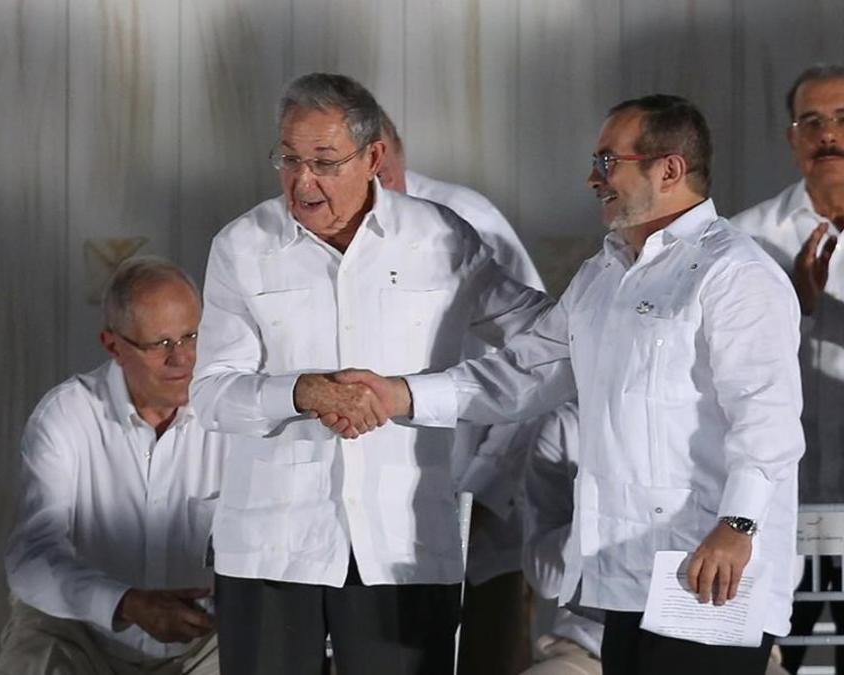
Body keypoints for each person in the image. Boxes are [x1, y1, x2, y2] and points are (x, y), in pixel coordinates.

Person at [342, 94, 804, 675]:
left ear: (668, 169)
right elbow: (523, 374)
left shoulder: (736, 274)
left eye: (609, 161)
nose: (593, 178)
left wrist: (737, 527)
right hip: (623, 580)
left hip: (710, 573)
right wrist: (399, 395)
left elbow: (769, 420)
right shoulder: (603, 274)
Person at [190, 72, 552, 675]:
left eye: (324, 162)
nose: (302, 181)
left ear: (373, 157)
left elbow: (537, 334)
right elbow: (211, 396)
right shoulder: (240, 245)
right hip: (269, 549)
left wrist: (423, 397)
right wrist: (300, 392)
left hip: (404, 543)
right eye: (288, 159)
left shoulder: (441, 237)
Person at [0, 257, 222, 675]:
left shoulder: (232, 412)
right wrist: (126, 603)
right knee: (33, 646)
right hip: (83, 634)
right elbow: (30, 558)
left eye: (192, 336)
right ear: (113, 345)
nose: (183, 359)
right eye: (161, 344)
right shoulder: (67, 414)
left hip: (205, 640)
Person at [378, 110, 542, 675]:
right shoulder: (323, 224)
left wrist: (485, 490)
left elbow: (538, 359)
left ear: (396, 152)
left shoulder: (465, 222)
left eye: (386, 169)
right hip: (374, 517)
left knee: (483, 658)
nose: (378, 191)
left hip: (475, 501)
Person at [731, 63, 844, 674]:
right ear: (793, 138)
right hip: (779, 512)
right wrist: (795, 309)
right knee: (775, 660)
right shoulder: (746, 241)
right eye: (812, 121)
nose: (829, 134)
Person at [520, 403, 603, 675]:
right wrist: (600, 514)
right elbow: (547, 581)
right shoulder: (569, 426)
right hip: (590, 650)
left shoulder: (725, 434)